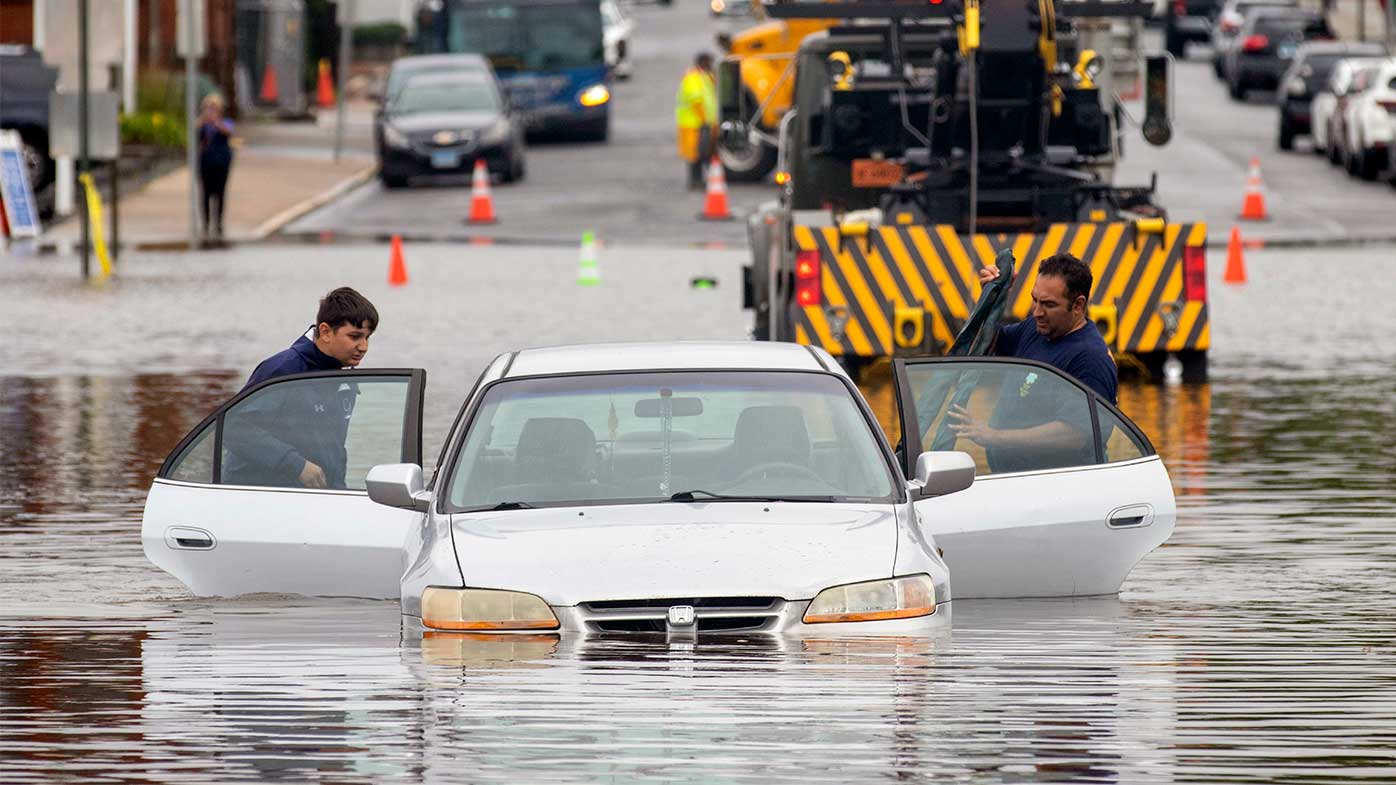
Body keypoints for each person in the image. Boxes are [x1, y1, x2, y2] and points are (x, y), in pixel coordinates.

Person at [945, 253, 1117, 469]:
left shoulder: (1090, 358)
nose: (1037, 312)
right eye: (1034, 300)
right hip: (1019, 485)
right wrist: (995, 297)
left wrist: (992, 436)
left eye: (1048, 304)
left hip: (1062, 490)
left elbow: (1075, 434)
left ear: (1078, 305)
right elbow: (986, 342)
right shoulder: (1035, 330)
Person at [222, 288, 379, 490]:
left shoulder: (343, 375)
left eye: (367, 337)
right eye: (355, 336)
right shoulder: (284, 369)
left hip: (315, 497)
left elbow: (333, 449)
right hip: (260, 495)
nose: (364, 346)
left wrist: (338, 491)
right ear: (325, 332)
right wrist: (296, 465)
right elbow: (232, 428)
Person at [675, 51, 719, 190]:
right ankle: (695, 181)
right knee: (695, 154)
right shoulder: (693, 78)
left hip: (702, 122)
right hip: (694, 123)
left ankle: (702, 180)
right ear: (703, 63)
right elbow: (696, 101)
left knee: (703, 153)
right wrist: (705, 120)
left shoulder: (705, 77)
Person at [197, 93, 235, 240]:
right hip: (206, 163)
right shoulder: (202, 124)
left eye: (214, 108)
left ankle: (218, 223)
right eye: (208, 108)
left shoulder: (226, 123)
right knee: (205, 193)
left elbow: (228, 132)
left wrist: (216, 123)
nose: (211, 111)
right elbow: (197, 141)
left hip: (221, 163)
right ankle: (205, 224)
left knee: (220, 193)